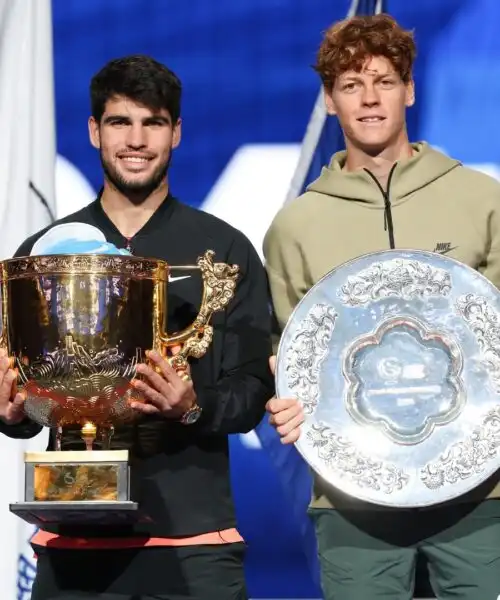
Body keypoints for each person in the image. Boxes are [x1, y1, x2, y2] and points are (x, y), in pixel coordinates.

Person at [0, 54, 273, 600]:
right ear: (94, 131)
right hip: (73, 542)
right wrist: (11, 412)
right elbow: (26, 404)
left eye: (153, 123)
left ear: (176, 132)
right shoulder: (45, 256)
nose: (136, 139)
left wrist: (191, 406)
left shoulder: (226, 251)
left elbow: (252, 390)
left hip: (194, 545)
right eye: (121, 122)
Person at [263, 13, 500, 600]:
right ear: (330, 99)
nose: (369, 99)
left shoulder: (481, 199)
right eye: (351, 84)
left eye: (384, 81)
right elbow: (287, 352)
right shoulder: (297, 225)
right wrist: (285, 395)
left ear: (410, 90)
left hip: (480, 494)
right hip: (351, 503)